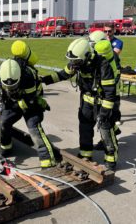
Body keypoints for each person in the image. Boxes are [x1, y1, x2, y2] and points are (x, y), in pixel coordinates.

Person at [40, 38, 118, 171]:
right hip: (87, 102)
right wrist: (43, 80)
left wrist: (104, 113)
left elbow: (110, 92)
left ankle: (111, 159)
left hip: (102, 103)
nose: (73, 65)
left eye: (76, 62)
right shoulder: (78, 63)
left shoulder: (103, 66)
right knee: (85, 127)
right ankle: (85, 154)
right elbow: (63, 74)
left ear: (87, 56)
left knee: (106, 130)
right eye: (72, 61)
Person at [0, 56, 58, 169]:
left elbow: (29, 101)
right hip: (12, 102)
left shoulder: (28, 75)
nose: (11, 89)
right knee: (3, 123)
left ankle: (47, 159)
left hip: (31, 101)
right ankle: (6, 147)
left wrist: (11, 102)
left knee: (34, 128)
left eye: (14, 86)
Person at [89, 31, 122, 150]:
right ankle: (115, 131)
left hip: (112, 93)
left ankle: (110, 141)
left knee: (107, 119)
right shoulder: (108, 55)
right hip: (109, 92)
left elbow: (116, 74)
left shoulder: (109, 57)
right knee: (108, 117)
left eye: (93, 45)